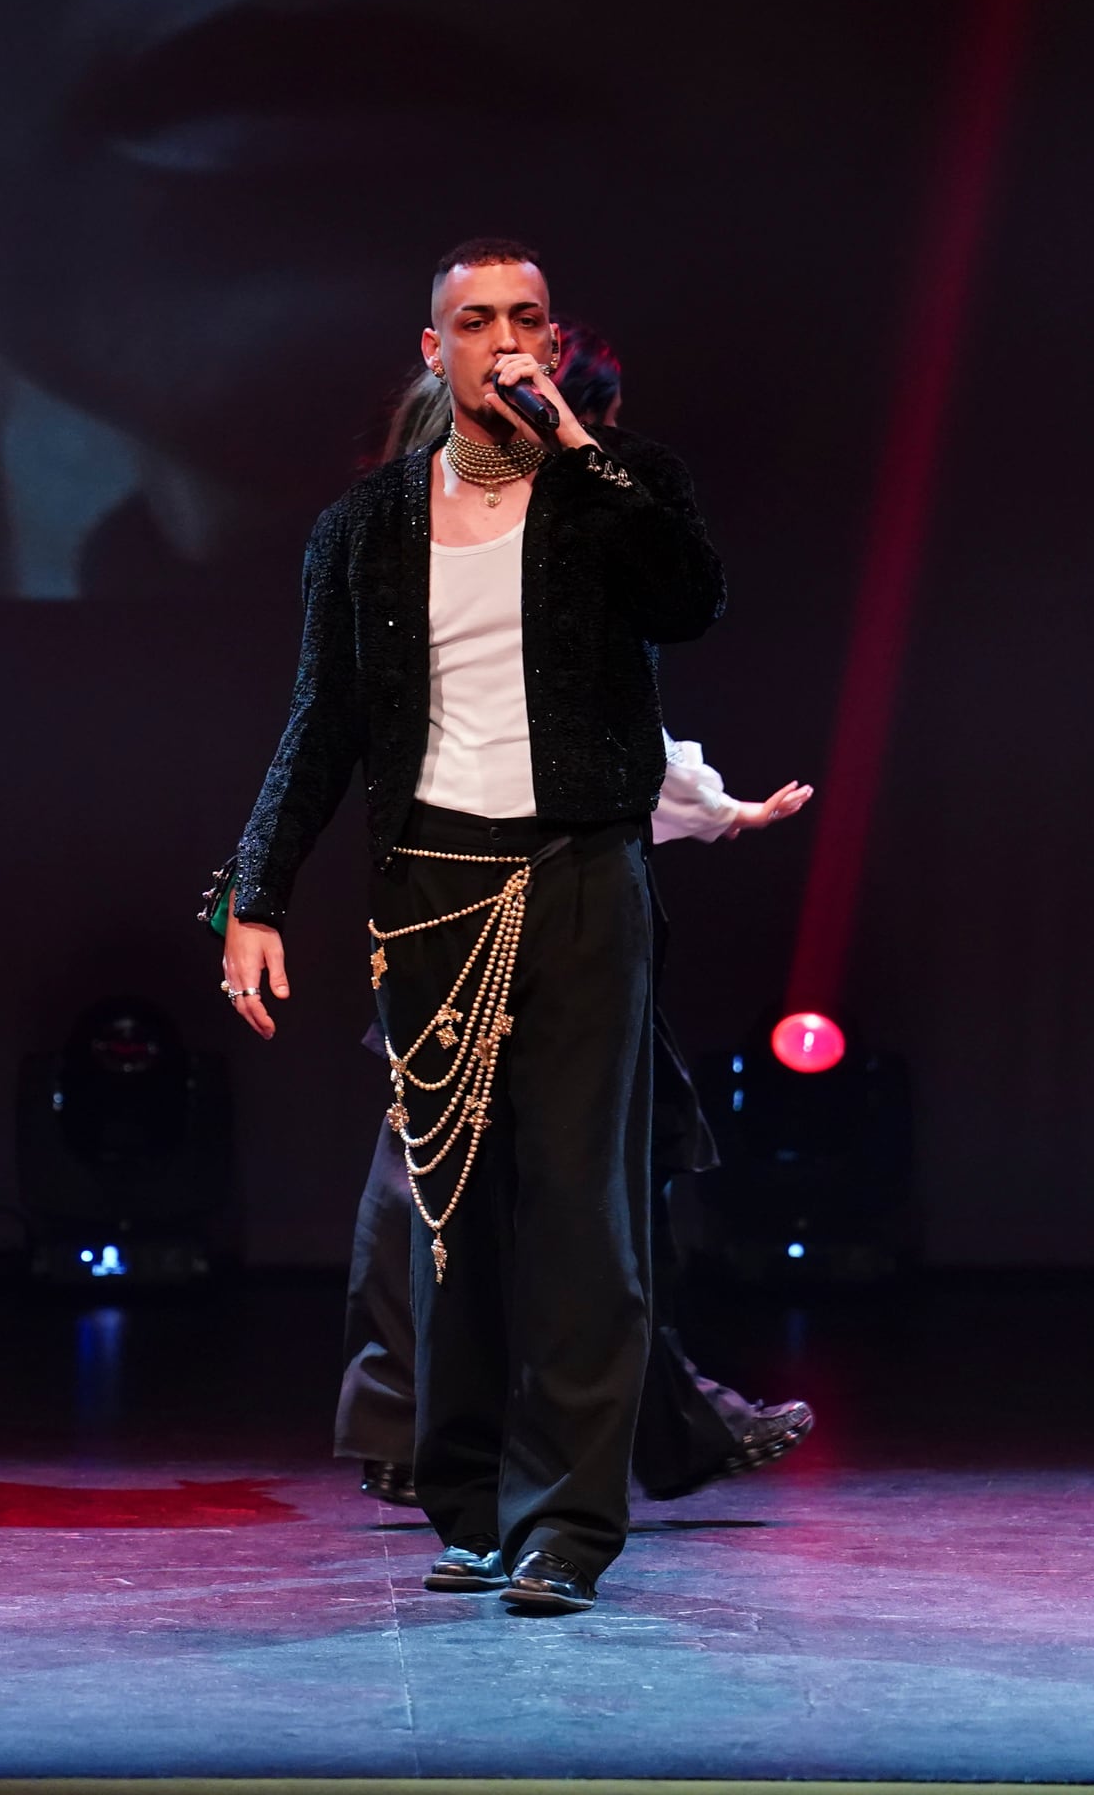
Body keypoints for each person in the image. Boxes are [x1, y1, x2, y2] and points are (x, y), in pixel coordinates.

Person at [216, 240, 723, 1615]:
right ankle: (471, 1498)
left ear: (553, 346)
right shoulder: (369, 525)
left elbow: (690, 596)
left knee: (583, 1216)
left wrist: (576, 456)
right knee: (453, 1219)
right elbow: (324, 719)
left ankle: (568, 1522)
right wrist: (256, 893)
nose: (502, 340)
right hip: (434, 888)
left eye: (526, 320)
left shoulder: (617, 494)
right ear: (430, 348)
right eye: (473, 320)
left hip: (580, 879)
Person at [333, 331, 814, 1509]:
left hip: (480, 889)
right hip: (520, 891)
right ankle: (530, 1430)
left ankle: (459, 1424)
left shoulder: (424, 534)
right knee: (549, 1181)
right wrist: (709, 806)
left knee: (470, 1174)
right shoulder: (463, 542)